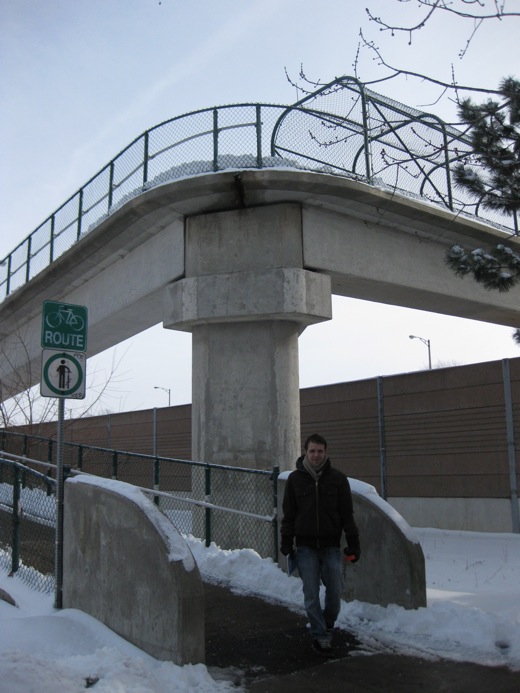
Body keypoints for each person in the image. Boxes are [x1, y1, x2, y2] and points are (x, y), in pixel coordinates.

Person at [280, 433, 360, 657]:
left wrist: (354, 543)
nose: (316, 455)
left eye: (320, 451)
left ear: (326, 452)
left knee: (334, 592)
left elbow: (347, 515)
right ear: (305, 452)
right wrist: (286, 542)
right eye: (312, 451)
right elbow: (289, 515)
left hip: (331, 546)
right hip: (305, 547)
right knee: (311, 594)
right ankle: (320, 635)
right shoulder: (295, 480)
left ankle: (327, 623)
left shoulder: (338, 479)